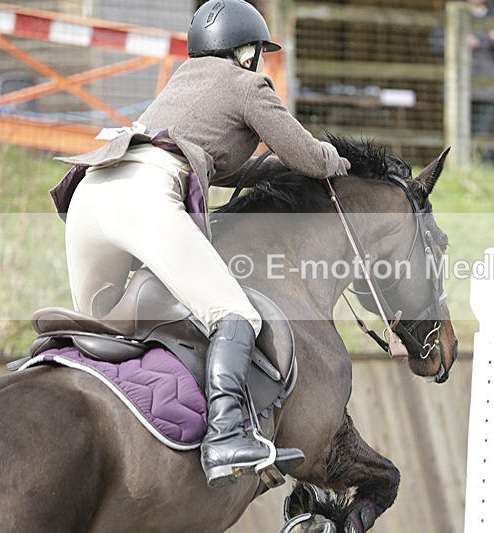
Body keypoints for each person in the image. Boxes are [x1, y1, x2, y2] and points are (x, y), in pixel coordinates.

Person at [50, 0, 350, 487]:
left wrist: (279, 171)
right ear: (247, 51)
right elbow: (308, 156)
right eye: (258, 52)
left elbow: (223, 167)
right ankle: (227, 434)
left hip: (90, 195)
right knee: (235, 314)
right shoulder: (247, 84)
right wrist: (333, 160)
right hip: (144, 197)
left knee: (108, 330)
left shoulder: (181, 83)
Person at [430, 0, 494, 163]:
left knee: (482, 138)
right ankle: (455, 169)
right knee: (455, 136)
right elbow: (434, 44)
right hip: (456, 89)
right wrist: (459, 41)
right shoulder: (449, 13)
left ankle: (481, 170)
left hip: (486, 88)